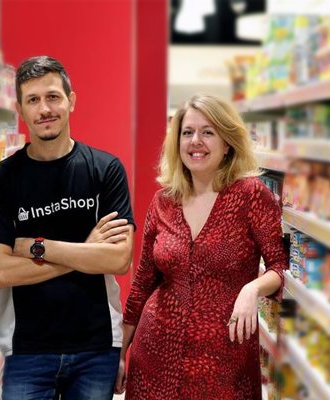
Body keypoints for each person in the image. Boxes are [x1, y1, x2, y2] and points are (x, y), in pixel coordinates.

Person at [0, 55, 135, 399]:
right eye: (33, 100)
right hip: (26, 349)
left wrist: (37, 247)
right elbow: (0, 272)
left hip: (96, 345)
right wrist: (87, 251)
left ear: (71, 100)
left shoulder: (106, 169)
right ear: (20, 109)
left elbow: (118, 260)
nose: (44, 109)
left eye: (53, 97)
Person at [116, 94, 288, 399]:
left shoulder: (251, 195)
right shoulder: (163, 201)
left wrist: (252, 289)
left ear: (227, 143)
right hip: (156, 357)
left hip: (225, 361)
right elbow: (143, 282)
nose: (196, 141)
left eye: (208, 132)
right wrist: (119, 354)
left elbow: (278, 266)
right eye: (187, 132)